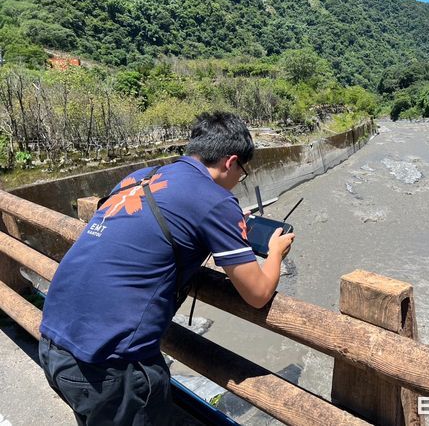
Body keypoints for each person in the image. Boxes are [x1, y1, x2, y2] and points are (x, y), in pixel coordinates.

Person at [38, 111, 295, 425]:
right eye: (242, 172)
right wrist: (275, 253)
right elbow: (257, 294)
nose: (239, 180)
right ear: (230, 162)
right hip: (111, 366)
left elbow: (137, 233)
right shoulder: (215, 200)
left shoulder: (139, 177)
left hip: (53, 342)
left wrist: (212, 228)